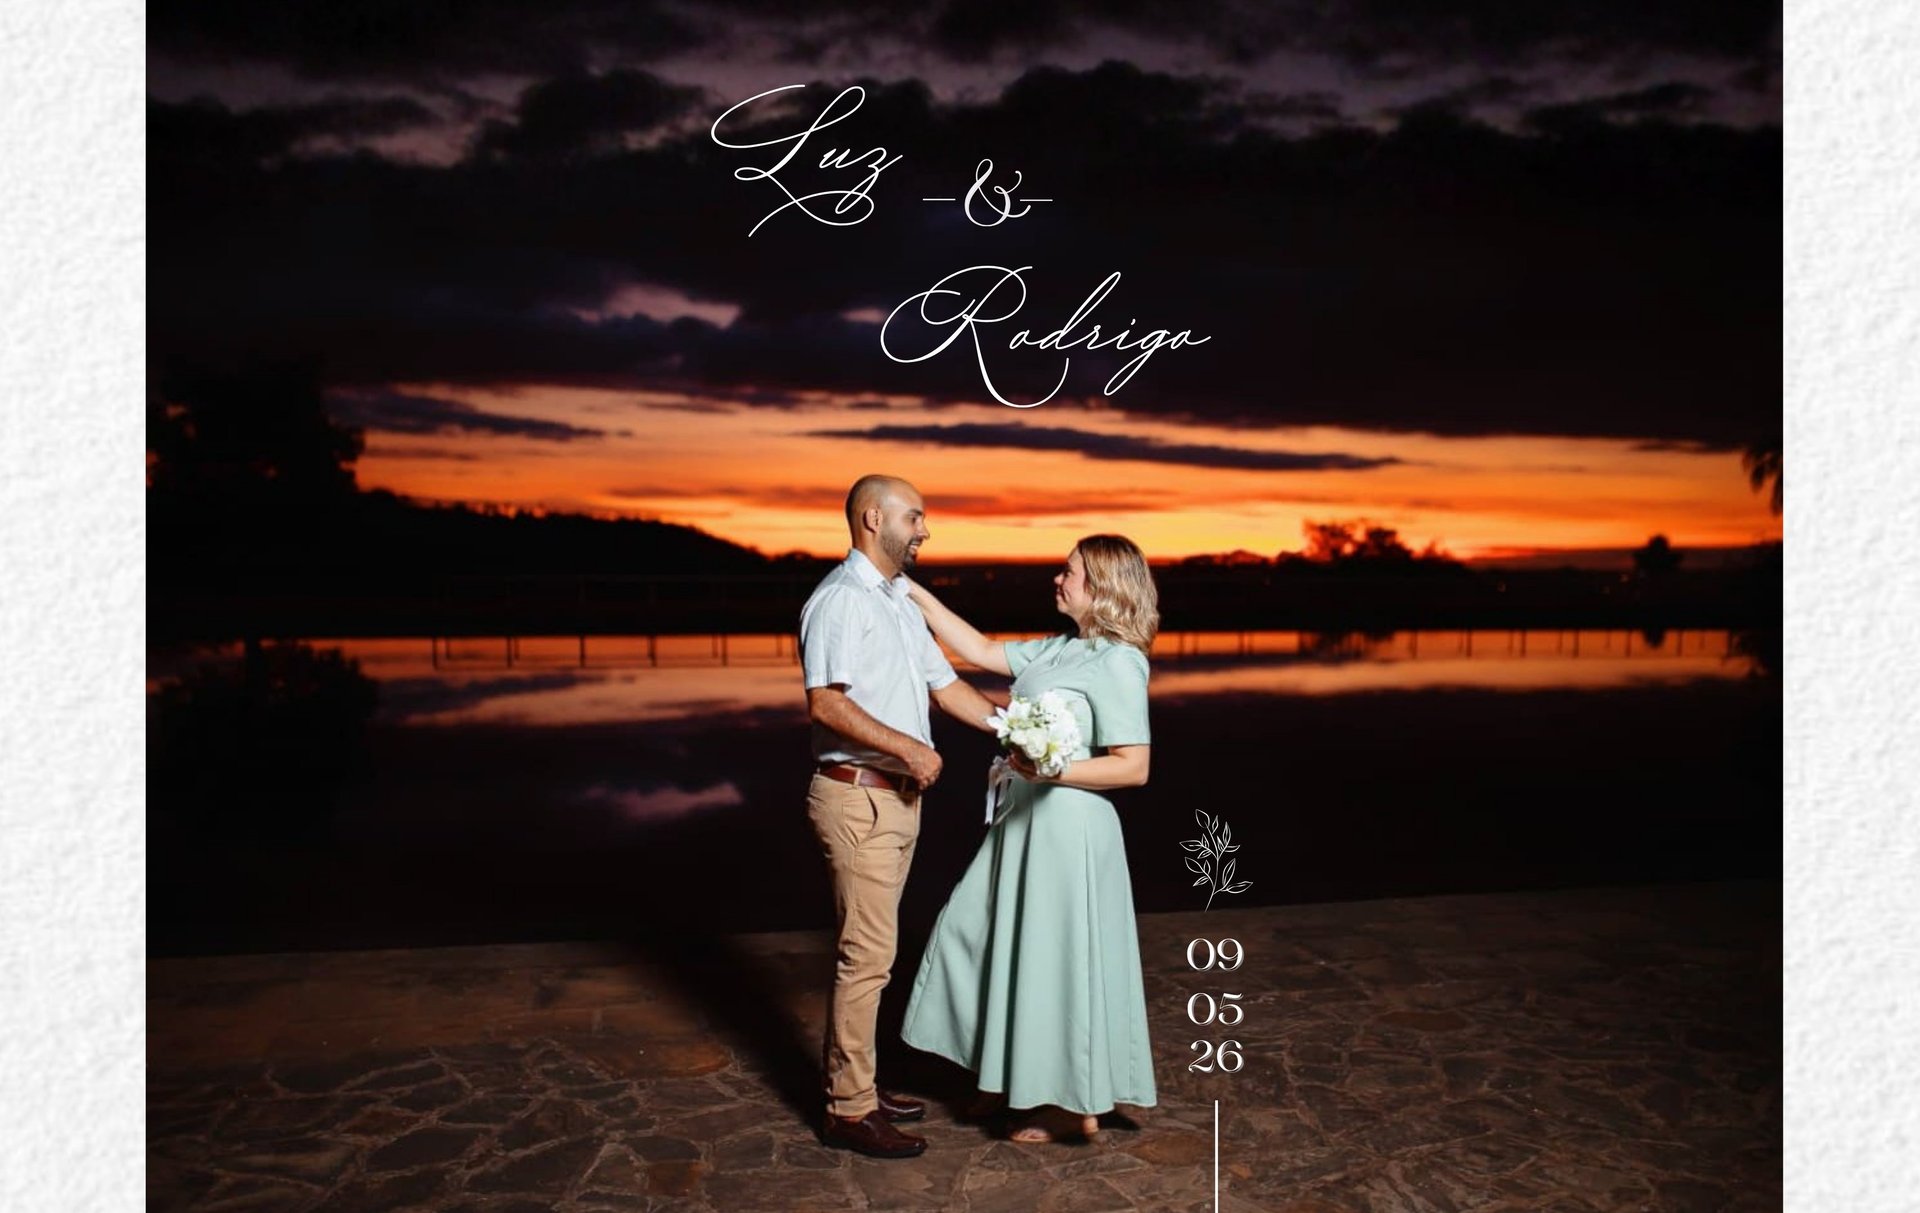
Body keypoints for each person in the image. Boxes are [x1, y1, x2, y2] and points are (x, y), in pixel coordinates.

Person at [900, 535, 1159, 1142]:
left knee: (1054, 956)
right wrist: (908, 589)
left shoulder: (1118, 660)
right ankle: (1005, 1074)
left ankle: (1068, 1104)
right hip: (1023, 821)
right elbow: (981, 649)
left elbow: (1134, 765)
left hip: (1069, 825)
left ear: (1100, 584)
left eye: (1068, 572)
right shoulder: (1059, 649)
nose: (1057, 580)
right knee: (978, 934)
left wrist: (1051, 770)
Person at [799, 474, 1000, 1159]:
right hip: (858, 795)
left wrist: (1016, 727)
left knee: (877, 955)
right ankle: (848, 1110)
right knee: (867, 957)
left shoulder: (896, 604)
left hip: (896, 799)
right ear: (871, 517)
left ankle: (861, 1081)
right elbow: (826, 702)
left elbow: (945, 687)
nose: (925, 529)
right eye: (915, 516)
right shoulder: (837, 601)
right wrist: (906, 746)